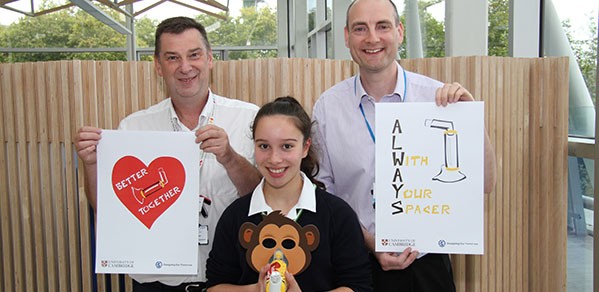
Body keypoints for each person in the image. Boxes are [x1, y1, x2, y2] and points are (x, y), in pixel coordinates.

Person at [311, 0, 498, 291]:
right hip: (355, 263)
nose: (372, 38)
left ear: (400, 32)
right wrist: (370, 242)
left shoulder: (439, 100)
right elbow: (324, 195)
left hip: (427, 265)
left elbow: (485, 183)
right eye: (361, 28)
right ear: (347, 37)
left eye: (382, 26)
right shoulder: (327, 108)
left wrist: (470, 119)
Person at [74, 16, 261, 291]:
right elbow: (106, 209)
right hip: (157, 281)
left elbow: (264, 198)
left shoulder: (248, 118)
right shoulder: (133, 127)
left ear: (210, 58)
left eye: (194, 55)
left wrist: (231, 158)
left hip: (231, 280)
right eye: (172, 58)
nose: (185, 67)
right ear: (158, 66)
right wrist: (91, 165)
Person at [205, 96, 373, 292]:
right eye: (264, 146)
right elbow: (214, 286)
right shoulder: (235, 216)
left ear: (305, 147)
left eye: (287, 146)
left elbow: (358, 286)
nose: (275, 159)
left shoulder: (338, 215)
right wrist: (255, 290)